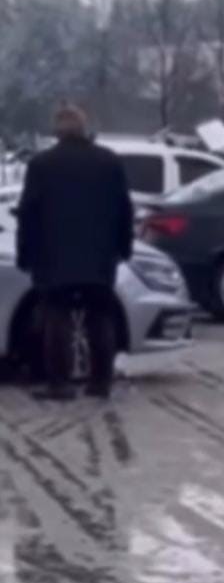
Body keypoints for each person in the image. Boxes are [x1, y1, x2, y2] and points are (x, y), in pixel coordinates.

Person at [16, 105, 134, 400]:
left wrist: (25, 254)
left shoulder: (42, 165)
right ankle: (100, 381)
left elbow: (29, 213)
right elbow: (124, 209)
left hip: (53, 257)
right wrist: (124, 247)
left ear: (57, 131)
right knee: (100, 317)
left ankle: (60, 384)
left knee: (57, 319)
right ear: (84, 128)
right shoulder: (109, 162)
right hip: (100, 256)